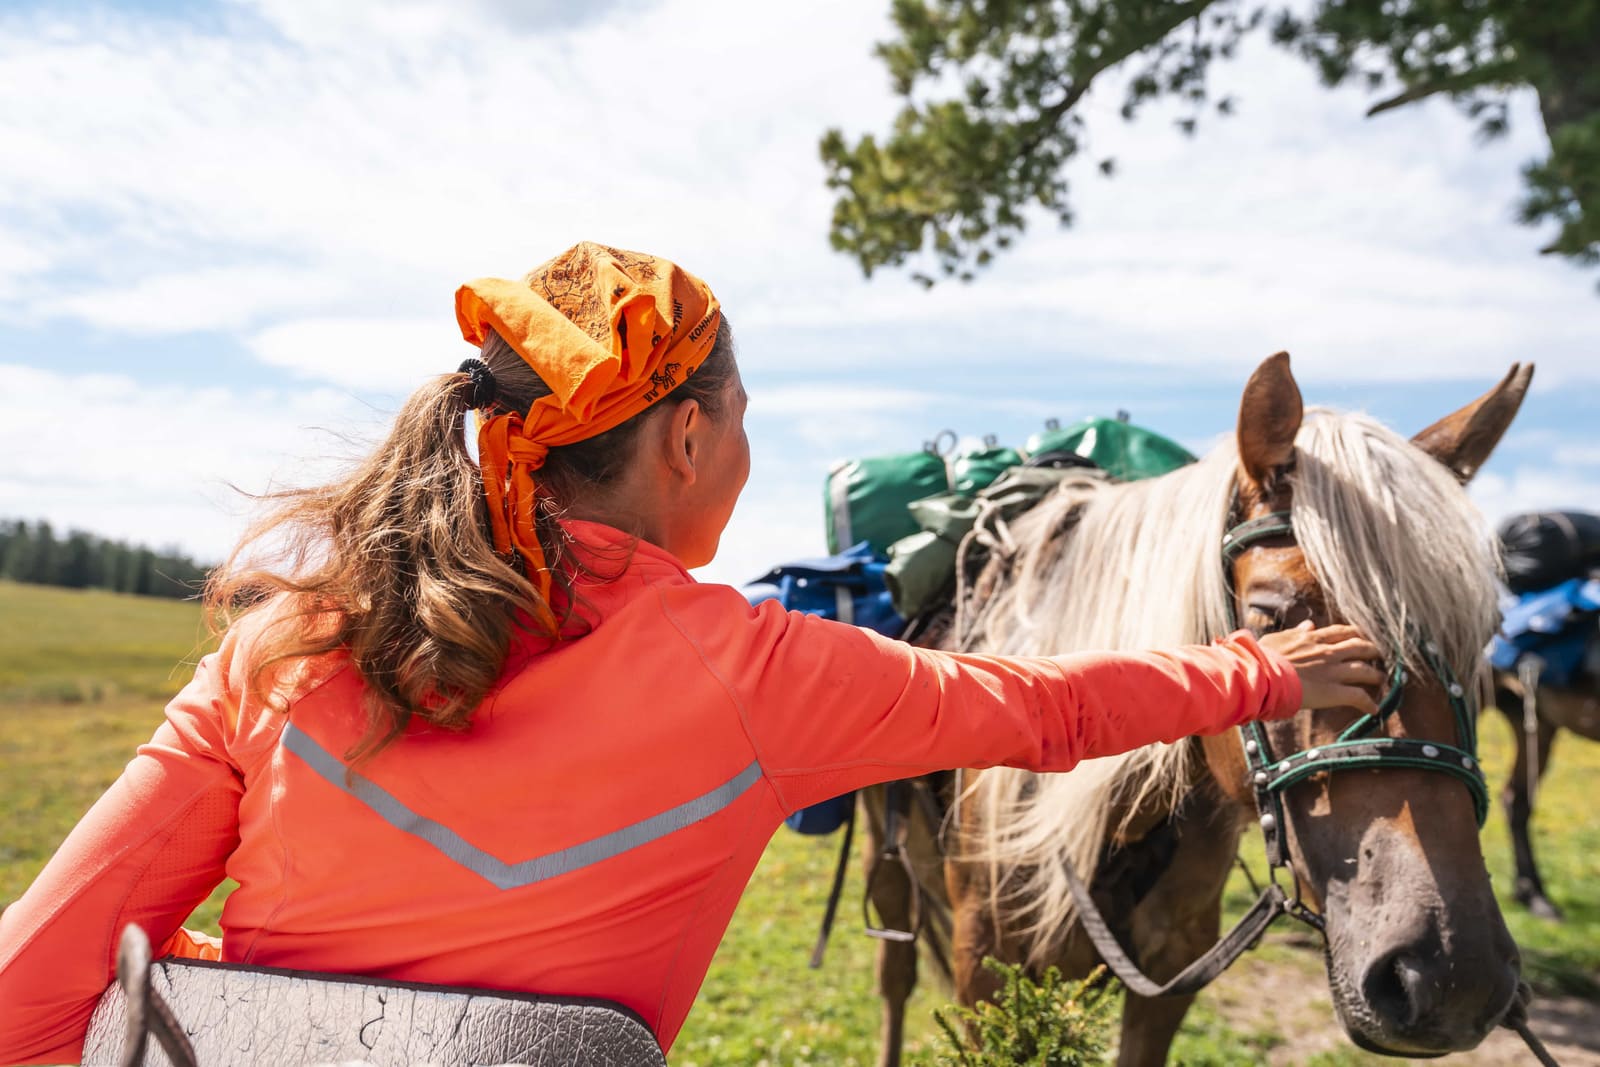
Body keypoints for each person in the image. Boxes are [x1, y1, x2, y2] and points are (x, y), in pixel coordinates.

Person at [0, 242, 1382, 1064]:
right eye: (744, 415)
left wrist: (232, 999)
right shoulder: (758, 674)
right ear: (686, 440)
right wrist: (1265, 671)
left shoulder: (282, 648)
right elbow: (1044, 712)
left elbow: (28, 996)